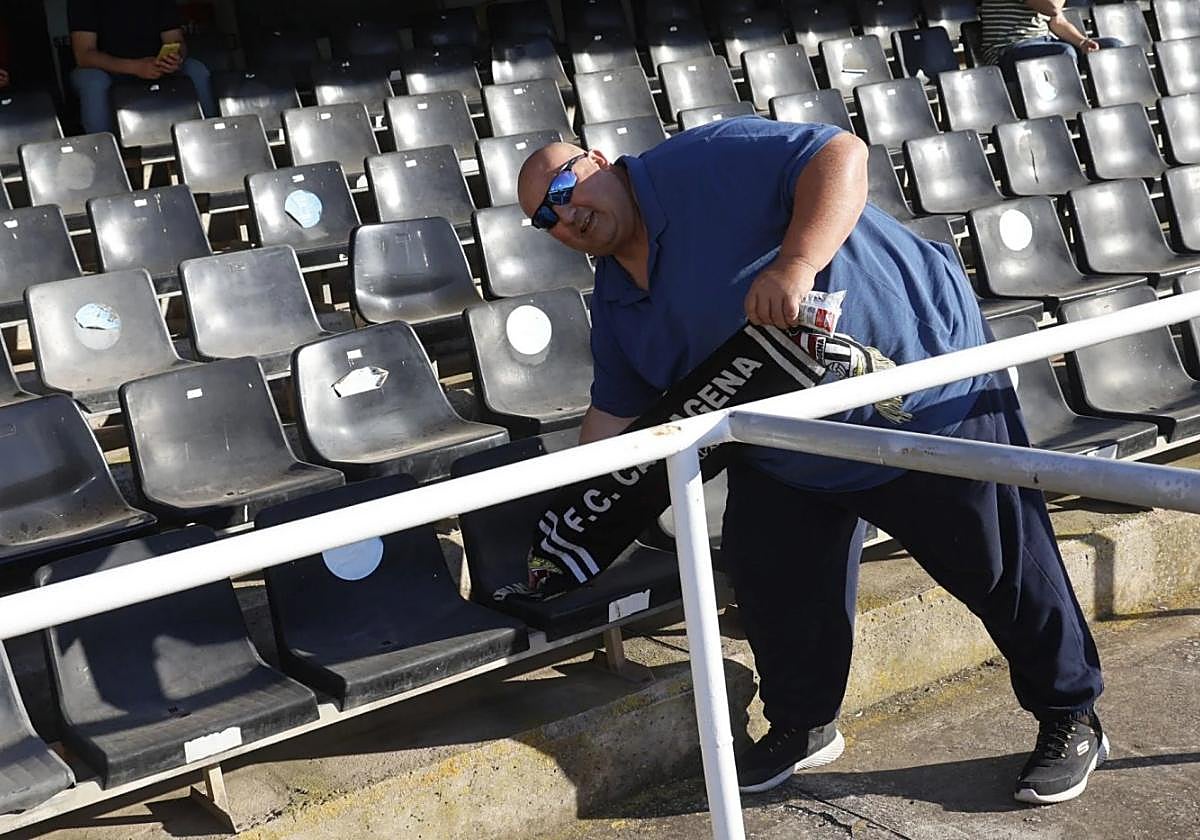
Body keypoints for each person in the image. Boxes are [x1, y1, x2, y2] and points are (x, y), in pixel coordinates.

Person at [515, 117, 1107, 806]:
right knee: (774, 579)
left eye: (565, 188)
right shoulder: (617, 302)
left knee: (1001, 566)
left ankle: (1071, 713)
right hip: (787, 441)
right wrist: (566, 514)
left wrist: (795, 263)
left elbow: (840, 154)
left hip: (917, 393)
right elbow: (616, 419)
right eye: (546, 218)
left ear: (598, 160)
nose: (566, 215)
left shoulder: (699, 162)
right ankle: (803, 725)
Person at [67, 0, 216, 135]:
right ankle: (102, 149)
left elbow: (175, 39)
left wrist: (175, 58)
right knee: (93, 81)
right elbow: (84, 55)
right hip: (108, 70)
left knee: (196, 69)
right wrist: (135, 67)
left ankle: (212, 138)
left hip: (156, 66)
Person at [979, 0, 1123, 82]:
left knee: (1112, 47)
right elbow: (1052, 7)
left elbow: (1058, 22)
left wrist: (1083, 42)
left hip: (1044, 42)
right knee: (1063, 54)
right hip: (1008, 49)